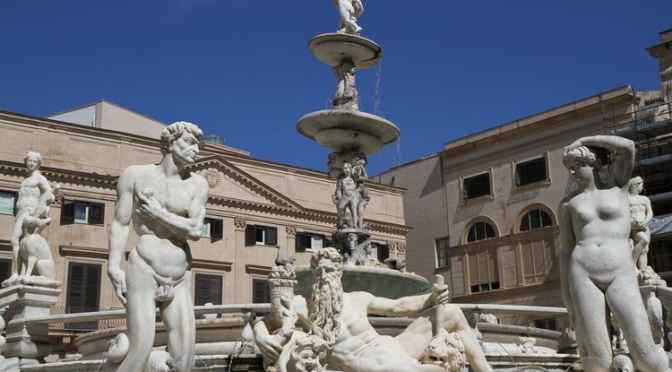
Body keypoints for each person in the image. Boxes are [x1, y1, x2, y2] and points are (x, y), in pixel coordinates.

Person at [254, 247, 493, 372]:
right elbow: (267, 321)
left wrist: (431, 298)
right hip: (371, 366)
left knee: (451, 311)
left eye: (331, 271)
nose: (326, 277)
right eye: (321, 272)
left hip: (394, 347)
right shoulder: (301, 305)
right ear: (314, 274)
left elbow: (399, 306)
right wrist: (261, 335)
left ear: (339, 273)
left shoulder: (358, 298)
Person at [559, 135, 668, 372]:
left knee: (647, 356)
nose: (572, 174)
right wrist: (567, 299)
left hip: (620, 270)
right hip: (582, 273)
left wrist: (585, 140)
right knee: (597, 359)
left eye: (576, 167)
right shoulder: (568, 204)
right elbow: (566, 251)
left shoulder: (619, 187)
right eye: (569, 169)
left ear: (593, 164)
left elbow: (628, 147)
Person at [107, 121, 209, 371]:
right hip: (144, 265)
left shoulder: (198, 185)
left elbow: (195, 230)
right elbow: (121, 223)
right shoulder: (135, 175)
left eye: (198, 144)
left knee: (185, 351)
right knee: (140, 347)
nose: (196, 149)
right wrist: (113, 266)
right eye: (189, 142)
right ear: (171, 143)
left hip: (180, 272)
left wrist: (158, 213)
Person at [8, 151, 55, 282]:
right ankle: (21, 271)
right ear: (26, 162)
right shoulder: (25, 181)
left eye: (35, 161)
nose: (32, 163)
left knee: (15, 239)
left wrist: (46, 205)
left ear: (38, 164)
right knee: (22, 242)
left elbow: (50, 193)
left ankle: (17, 272)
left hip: (30, 211)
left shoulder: (39, 178)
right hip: (20, 213)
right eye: (30, 161)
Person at [628, 176, 653, 271]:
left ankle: (643, 271)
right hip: (634, 227)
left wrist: (646, 221)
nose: (642, 187)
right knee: (644, 240)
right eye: (641, 185)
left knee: (645, 250)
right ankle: (632, 265)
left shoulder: (645, 199)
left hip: (644, 226)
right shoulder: (627, 198)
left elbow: (649, 212)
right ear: (636, 185)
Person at [334, 162, 360, 229]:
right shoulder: (341, 179)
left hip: (353, 195)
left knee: (354, 210)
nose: (345, 170)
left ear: (350, 168)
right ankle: (342, 222)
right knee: (340, 208)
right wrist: (339, 198)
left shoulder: (354, 177)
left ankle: (355, 225)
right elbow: (339, 190)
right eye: (344, 168)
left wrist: (360, 167)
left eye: (346, 168)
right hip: (345, 195)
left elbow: (365, 178)